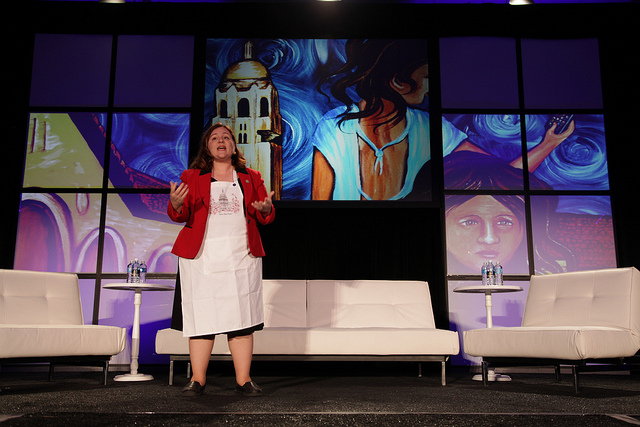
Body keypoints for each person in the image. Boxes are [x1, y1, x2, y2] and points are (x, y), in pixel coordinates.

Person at [168, 123, 275, 397]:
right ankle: (197, 379)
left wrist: (265, 209)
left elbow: (266, 214)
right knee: (202, 318)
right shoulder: (192, 176)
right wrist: (177, 204)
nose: (221, 141)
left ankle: (244, 380)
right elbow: (179, 215)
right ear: (207, 146)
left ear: (234, 145)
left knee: (242, 318)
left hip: (241, 256)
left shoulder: (251, 176)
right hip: (202, 258)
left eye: (226, 137)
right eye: (215, 137)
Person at [311, 39, 467, 201]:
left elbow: (488, 163)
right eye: (427, 77)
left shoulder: (431, 126)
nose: (432, 86)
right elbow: (319, 203)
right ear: (397, 81)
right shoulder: (334, 126)